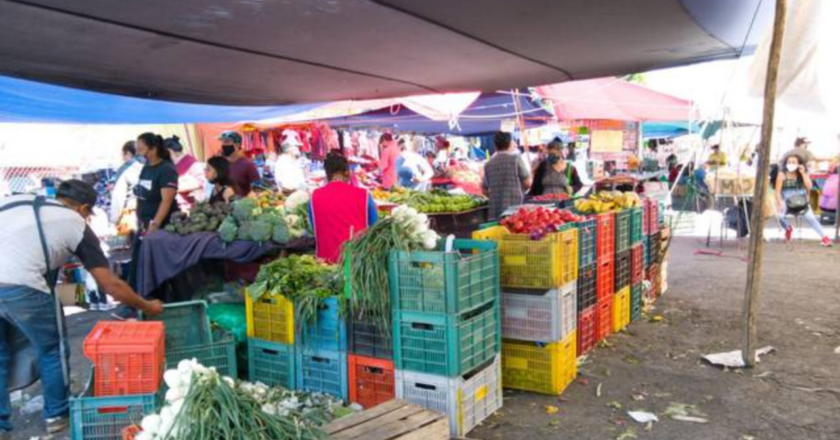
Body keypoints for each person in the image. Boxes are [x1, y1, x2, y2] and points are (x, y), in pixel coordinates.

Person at [0, 180, 163, 438]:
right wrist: (146, 305)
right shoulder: (74, 223)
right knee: (52, 349)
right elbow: (109, 284)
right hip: (21, 286)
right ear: (84, 208)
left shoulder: (14, 201)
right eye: (88, 213)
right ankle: (57, 413)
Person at [308, 153, 378, 263]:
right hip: (356, 263)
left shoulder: (314, 197)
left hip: (325, 263)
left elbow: (315, 228)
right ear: (347, 172)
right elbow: (375, 228)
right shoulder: (363, 195)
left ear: (327, 174)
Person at [775, 155, 832, 246]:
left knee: (811, 218)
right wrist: (779, 203)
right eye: (789, 162)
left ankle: (824, 237)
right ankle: (788, 228)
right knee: (780, 216)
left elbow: (809, 186)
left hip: (801, 201)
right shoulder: (782, 175)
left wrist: (803, 173)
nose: (791, 164)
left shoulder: (802, 174)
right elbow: (777, 191)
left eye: (794, 162)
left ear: (799, 164)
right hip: (787, 201)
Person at [135, 133, 179, 234]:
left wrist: (155, 224)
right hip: (145, 222)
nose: (138, 153)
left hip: (162, 226)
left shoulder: (166, 169)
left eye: (141, 149)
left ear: (153, 149)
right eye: (137, 149)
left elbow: (166, 201)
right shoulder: (146, 167)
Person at [483, 131, 532, 219]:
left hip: (495, 210)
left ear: (495, 145)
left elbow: (484, 189)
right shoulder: (516, 159)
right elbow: (527, 183)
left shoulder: (488, 164)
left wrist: (497, 196)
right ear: (509, 143)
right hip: (514, 207)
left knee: (497, 231)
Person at [166, 135, 206, 210]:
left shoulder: (191, 163)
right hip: (177, 206)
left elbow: (200, 182)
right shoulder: (172, 164)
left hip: (189, 206)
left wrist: (175, 186)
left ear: (169, 151)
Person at [109, 141, 143, 225]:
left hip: (135, 214)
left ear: (127, 153)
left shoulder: (126, 168)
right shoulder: (153, 163)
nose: (123, 159)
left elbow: (118, 198)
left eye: (123, 155)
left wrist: (114, 221)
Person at [219, 131, 259, 197]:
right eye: (222, 142)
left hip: (241, 204)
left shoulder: (248, 165)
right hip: (222, 205)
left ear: (237, 145)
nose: (223, 145)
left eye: (226, 142)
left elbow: (257, 189)